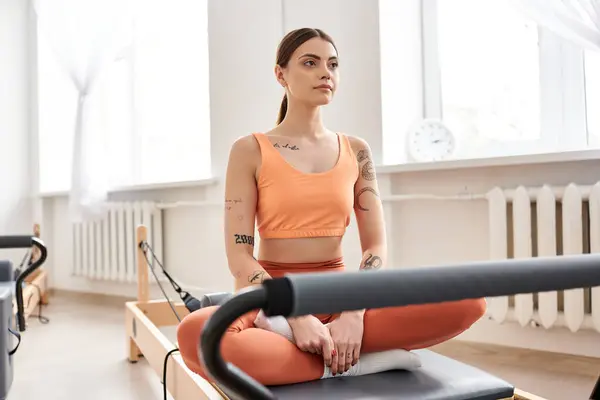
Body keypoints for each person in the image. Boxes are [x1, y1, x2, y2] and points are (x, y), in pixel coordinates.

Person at [177, 27, 486, 387]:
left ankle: (316, 348)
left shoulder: (356, 150)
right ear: (281, 74)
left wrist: (353, 314)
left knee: (469, 299)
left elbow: (375, 247)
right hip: (270, 304)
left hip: (344, 297)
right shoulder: (249, 149)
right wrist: (294, 315)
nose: (326, 73)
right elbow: (239, 256)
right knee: (195, 332)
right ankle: (353, 361)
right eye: (310, 63)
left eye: (333, 64)